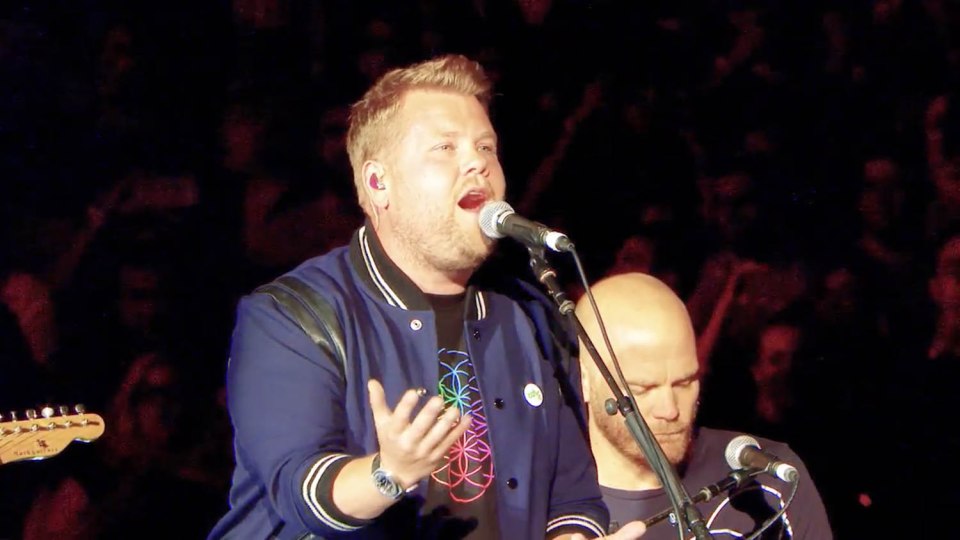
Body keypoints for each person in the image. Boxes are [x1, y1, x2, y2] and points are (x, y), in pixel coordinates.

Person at [208, 54, 646, 539]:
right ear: (378, 183)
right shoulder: (293, 315)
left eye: (486, 146)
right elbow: (298, 488)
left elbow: (572, 497)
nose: (477, 161)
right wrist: (387, 473)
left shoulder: (526, 313)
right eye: (445, 147)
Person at [576, 273, 832, 539]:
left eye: (685, 382)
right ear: (583, 380)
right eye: (642, 389)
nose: (670, 409)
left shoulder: (768, 480)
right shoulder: (545, 509)